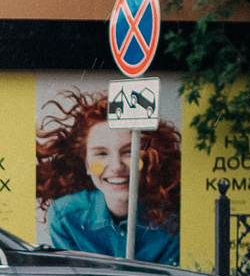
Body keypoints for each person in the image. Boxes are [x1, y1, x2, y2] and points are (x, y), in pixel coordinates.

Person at [36, 91, 180, 262]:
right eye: (101, 154)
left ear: (148, 157)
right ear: (87, 165)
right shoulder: (65, 217)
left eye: (128, 152)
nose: (117, 167)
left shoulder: (171, 221)